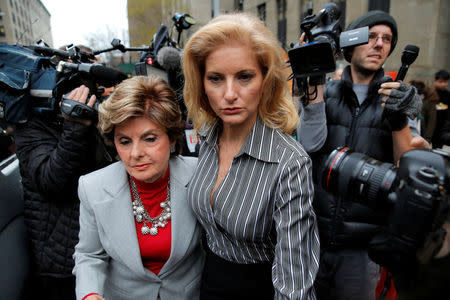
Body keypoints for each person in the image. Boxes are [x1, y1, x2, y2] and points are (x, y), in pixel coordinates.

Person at [183, 13, 320, 300]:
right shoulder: (206, 137)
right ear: (202, 83)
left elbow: (295, 277)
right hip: (206, 284)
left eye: (244, 76)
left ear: (266, 80)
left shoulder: (289, 162)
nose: (229, 94)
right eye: (216, 78)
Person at [297, 10, 427, 300]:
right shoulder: (326, 93)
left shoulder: (401, 97)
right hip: (313, 237)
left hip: (362, 246)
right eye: (370, 37)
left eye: (387, 39)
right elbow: (308, 143)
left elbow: (407, 167)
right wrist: (312, 82)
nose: (379, 44)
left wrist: (400, 120)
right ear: (350, 44)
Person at [73, 76, 204, 300]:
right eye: (124, 141)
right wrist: (89, 294)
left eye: (150, 139)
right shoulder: (92, 187)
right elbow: (89, 255)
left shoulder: (200, 175)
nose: (135, 154)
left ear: (172, 138)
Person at [13, 82, 114, 299]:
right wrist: (75, 126)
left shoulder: (88, 120)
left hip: (100, 247)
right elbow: (53, 182)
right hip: (61, 260)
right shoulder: (32, 127)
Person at [431, 69, 450, 148]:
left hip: (442, 126)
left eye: (445, 82)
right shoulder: (430, 93)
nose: (443, 84)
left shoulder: (447, 94)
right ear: (435, 81)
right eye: (441, 82)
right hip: (431, 124)